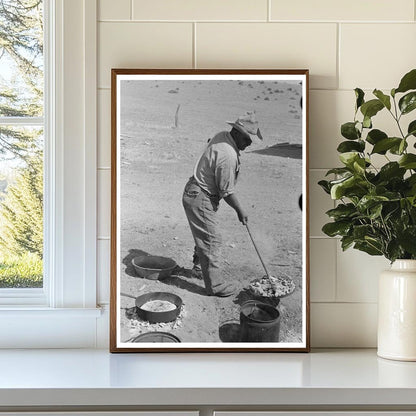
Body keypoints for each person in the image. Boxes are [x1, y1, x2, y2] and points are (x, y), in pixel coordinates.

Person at [182, 111, 263, 297]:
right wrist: (240, 211)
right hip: (200, 196)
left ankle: (197, 268)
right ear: (236, 133)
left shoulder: (222, 136)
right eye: (247, 140)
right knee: (211, 239)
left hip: (197, 191)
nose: (248, 144)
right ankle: (215, 287)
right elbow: (226, 192)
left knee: (205, 233)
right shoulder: (228, 156)